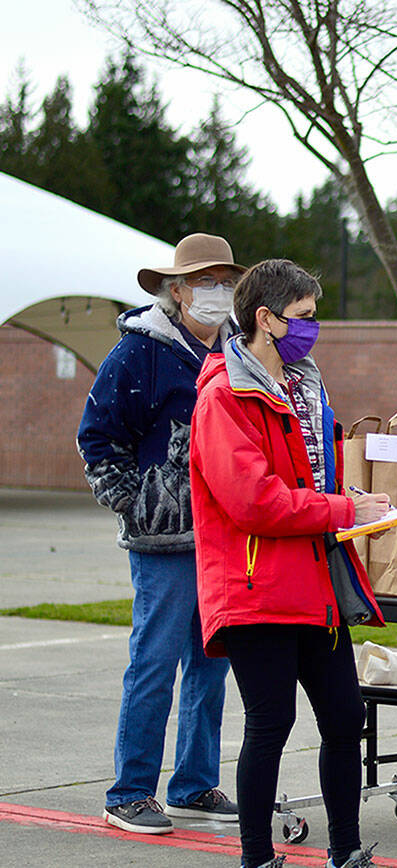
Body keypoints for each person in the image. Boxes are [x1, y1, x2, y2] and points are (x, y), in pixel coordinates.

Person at [189, 259, 391, 868]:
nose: (313, 328)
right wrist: (337, 511)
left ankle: (347, 851)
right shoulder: (223, 397)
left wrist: (347, 502)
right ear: (265, 319)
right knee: (270, 723)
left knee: (344, 716)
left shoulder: (306, 386)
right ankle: (256, 858)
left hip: (315, 585)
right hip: (256, 590)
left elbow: (310, 479)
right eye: (303, 317)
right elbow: (254, 501)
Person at [77, 233, 244, 834]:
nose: (218, 292)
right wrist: (135, 504)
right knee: (155, 660)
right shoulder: (138, 353)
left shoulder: (238, 353)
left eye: (226, 281)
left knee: (211, 662)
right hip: (163, 541)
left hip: (226, 537)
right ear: (176, 290)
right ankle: (129, 793)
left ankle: (194, 785)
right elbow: (97, 438)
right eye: (207, 281)